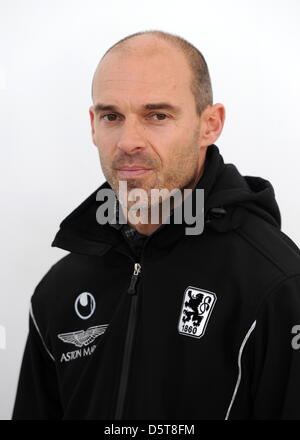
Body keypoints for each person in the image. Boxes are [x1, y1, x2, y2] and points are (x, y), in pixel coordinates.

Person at [12, 29, 300, 420]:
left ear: (210, 124)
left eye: (157, 115)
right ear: (93, 125)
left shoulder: (276, 285)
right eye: (112, 116)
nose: (129, 141)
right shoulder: (58, 290)